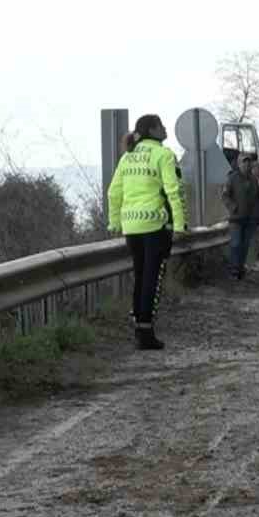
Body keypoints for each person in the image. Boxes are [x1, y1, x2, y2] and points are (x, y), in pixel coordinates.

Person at [107, 114, 185, 350]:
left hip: (131, 226)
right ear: (152, 130)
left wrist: (114, 223)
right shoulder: (163, 154)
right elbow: (173, 191)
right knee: (153, 277)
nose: (165, 128)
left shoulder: (127, 157)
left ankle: (139, 325)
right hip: (154, 225)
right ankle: (146, 331)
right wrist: (180, 224)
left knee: (140, 276)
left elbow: (113, 192)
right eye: (161, 125)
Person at [223, 152, 259, 280]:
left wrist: (257, 214)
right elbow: (225, 196)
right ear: (239, 164)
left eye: (248, 162)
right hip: (236, 218)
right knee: (236, 243)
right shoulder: (232, 178)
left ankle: (240, 269)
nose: (247, 164)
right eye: (244, 162)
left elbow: (257, 198)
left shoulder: (253, 179)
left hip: (250, 218)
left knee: (245, 245)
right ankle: (233, 269)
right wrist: (233, 207)